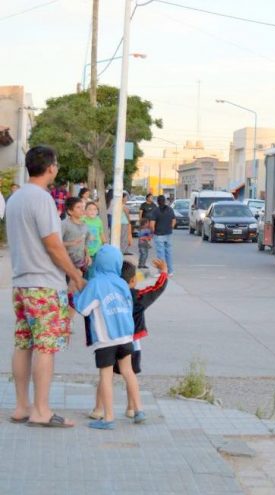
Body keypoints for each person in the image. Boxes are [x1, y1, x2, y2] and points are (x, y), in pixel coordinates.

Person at [5, 145, 85, 428]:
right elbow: (52, 244)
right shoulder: (42, 199)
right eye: (57, 164)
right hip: (44, 286)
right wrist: (75, 274)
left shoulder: (15, 198)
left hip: (21, 283)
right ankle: (41, 410)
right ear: (50, 167)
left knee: (23, 344)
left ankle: (22, 406)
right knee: (45, 347)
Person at [90, 259, 169, 422]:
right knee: (130, 374)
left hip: (110, 339)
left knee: (106, 376)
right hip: (131, 342)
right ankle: (132, 408)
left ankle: (98, 409)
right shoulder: (137, 296)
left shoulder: (107, 294)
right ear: (133, 280)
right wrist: (164, 272)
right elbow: (157, 289)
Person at [73, 245, 140, 430]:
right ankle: (139, 410)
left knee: (106, 376)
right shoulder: (121, 283)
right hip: (126, 337)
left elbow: (84, 308)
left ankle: (108, 418)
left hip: (106, 339)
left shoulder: (96, 283)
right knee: (128, 372)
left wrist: (76, 294)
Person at [61, 197, 92, 275]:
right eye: (78, 207)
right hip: (66, 262)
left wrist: (87, 255)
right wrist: (71, 243)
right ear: (70, 211)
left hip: (80, 261)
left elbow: (85, 242)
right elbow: (55, 243)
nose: (82, 209)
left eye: (82, 207)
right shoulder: (64, 224)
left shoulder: (85, 225)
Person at [150, 195, 176, 276]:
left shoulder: (155, 211)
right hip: (168, 233)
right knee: (169, 253)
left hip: (159, 234)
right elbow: (174, 221)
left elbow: (152, 224)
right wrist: (170, 228)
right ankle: (170, 271)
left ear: (157, 202)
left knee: (160, 254)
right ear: (164, 201)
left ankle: (162, 271)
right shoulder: (170, 209)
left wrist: (153, 232)